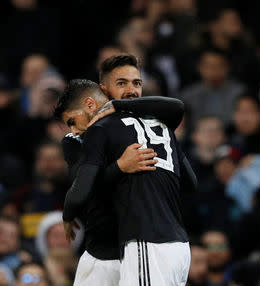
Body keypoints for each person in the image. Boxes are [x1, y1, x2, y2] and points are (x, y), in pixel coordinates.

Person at [56, 54, 189, 286]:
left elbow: (176, 107)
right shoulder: (75, 140)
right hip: (106, 252)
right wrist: (120, 167)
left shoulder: (150, 123)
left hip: (140, 246)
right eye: (122, 83)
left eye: (136, 83)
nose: (131, 89)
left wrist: (119, 104)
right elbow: (82, 191)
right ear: (103, 91)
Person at [179, 48, 245, 125]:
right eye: (208, 66)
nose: (213, 70)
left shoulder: (240, 94)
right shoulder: (187, 95)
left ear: (227, 67)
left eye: (218, 66)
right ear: (199, 67)